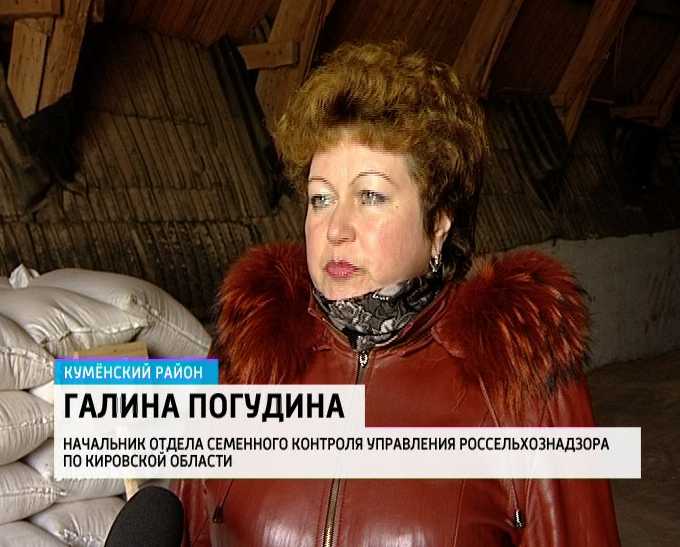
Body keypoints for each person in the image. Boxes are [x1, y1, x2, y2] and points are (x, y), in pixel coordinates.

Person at [172, 42, 621, 546]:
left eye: (371, 196)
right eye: (321, 198)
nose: (336, 228)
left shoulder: (520, 379)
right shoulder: (245, 359)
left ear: (438, 224)